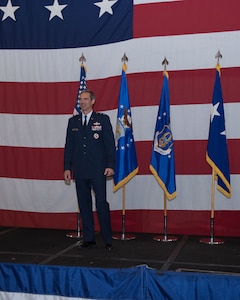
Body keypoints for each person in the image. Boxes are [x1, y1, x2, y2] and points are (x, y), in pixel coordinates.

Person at [64, 89, 116, 251]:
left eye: (86, 99)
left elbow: (109, 144)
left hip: (98, 170)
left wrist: (110, 165)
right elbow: (69, 147)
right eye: (80, 99)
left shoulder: (102, 120)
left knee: (101, 203)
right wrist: (67, 167)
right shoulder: (73, 122)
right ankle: (89, 238)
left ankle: (108, 239)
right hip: (79, 170)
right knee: (84, 205)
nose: (82, 102)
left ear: (93, 101)